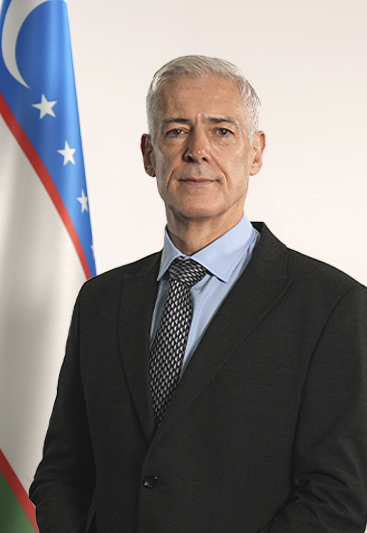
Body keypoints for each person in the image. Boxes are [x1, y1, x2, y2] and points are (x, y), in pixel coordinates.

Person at [30, 55, 367, 533]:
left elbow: (337, 499)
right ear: (149, 153)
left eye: (222, 131)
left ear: (256, 152)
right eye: (176, 131)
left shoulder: (332, 307)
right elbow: (62, 473)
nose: (197, 150)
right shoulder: (100, 301)